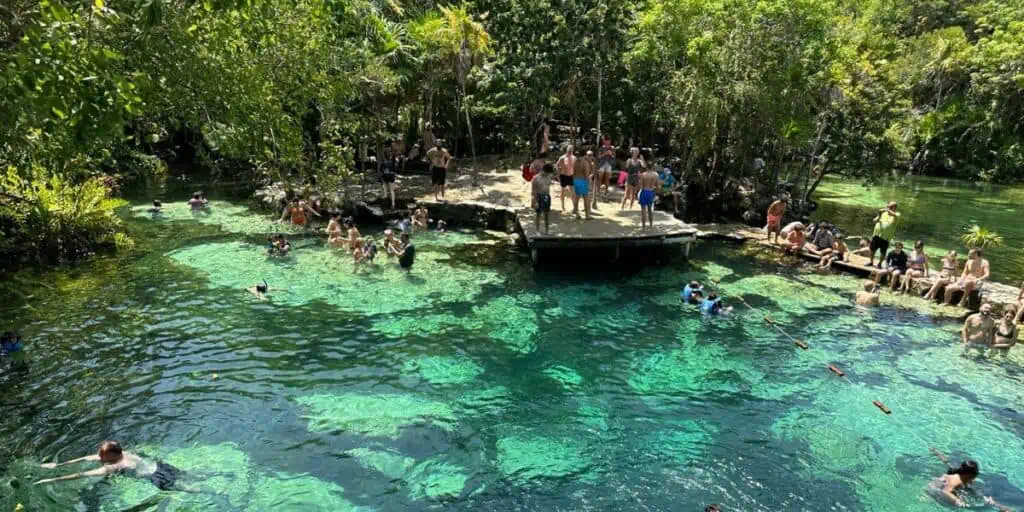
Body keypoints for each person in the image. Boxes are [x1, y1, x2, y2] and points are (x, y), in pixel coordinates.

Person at [34, 441, 184, 491]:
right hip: (161, 467)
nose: (99, 457)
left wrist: (51, 480)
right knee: (191, 475)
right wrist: (59, 465)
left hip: (157, 478)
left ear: (111, 456)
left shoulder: (115, 467)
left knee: (188, 488)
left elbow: (82, 475)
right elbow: (88, 457)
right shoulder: (124, 453)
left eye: (102, 456)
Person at [868, 202, 900, 268]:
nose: (888, 208)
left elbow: (894, 214)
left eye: (890, 207)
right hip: (876, 235)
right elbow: (874, 221)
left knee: (883, 252)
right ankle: (871, 261)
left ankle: (879, 264)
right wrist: (879, 214)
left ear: (894, 208)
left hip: (885, 237)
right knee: (872, 249)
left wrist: (887, 209)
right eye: (888, 206)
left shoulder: (897, 214)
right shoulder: (883, 213)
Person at [532, 163, 554, 234]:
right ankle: (537, 230)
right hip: (539, 196)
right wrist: (535, 201)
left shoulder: (549, 176)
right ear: (543, 170)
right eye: (547, 172)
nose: (548, 174)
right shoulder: (536, 178)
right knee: (538, 214)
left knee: (547, 214)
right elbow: (534, 191)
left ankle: (547, 230)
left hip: (547, 196)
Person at [555, 145, 577, 212]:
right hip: (563, 176)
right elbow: (557, 166)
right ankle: (563, 206)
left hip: (571, 176)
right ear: (567, 150)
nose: (570, 151)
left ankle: (574, 207)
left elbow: (575, 167)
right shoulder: (562, 157)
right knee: (563, 191)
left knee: (573, 192)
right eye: (569, 150)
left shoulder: (574, 158)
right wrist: (558, 174)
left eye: (571, 150)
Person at [595, 136, 615, 205]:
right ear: (604, 141)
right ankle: (598, 191)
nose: (608, 142)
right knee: (600, 178)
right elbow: (599, 156)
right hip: (602, 164)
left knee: (607, 178)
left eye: (609, 140)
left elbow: (614, 156)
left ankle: (606, 191)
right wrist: (605, 153)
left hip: (609, 164)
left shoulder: (612, 148)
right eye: (606, 140)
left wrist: (611, 154)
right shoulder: (601, 148)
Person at [638, 165, 660, 229]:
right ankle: (651, 225)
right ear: (652, 167)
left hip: (644, 191)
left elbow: (640, 186)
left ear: (646, 167)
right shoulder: (656, 175)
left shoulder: (643, 174)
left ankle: (643, 227)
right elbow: (658, 186)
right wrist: (655, 193)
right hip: (651, 192)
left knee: (643, 210)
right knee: (650, 210)